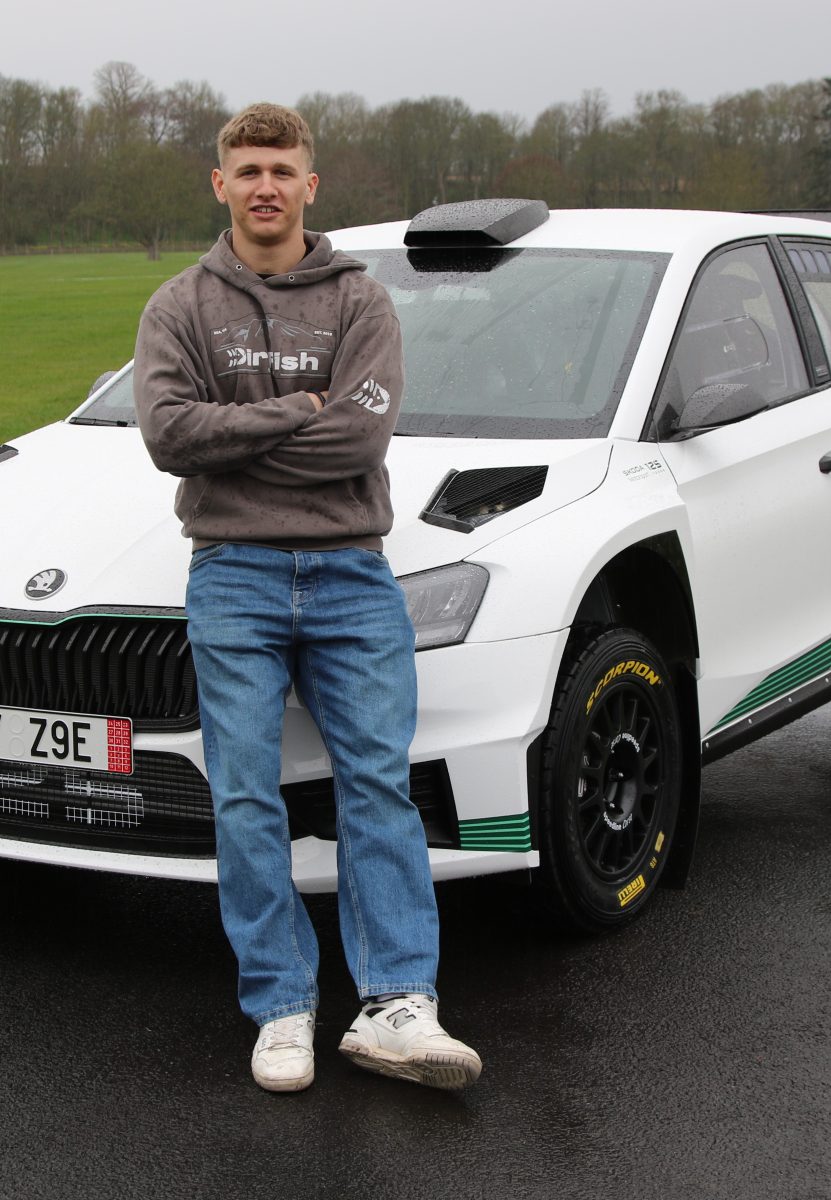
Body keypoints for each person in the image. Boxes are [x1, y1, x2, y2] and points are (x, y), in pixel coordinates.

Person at [133, 103, 481, 1093]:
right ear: (220, 183)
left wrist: (237, 434)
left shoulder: (362, 302)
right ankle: (282, 1004)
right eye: (248, 170)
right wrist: (297, 409)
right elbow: (167, 434)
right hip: (232, 574)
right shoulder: (178, 306)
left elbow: (359, 439)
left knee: (377, 786)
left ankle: (397, 1005)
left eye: (282, 170)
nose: (265, 186)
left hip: (350, 572)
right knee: (244, 795)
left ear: (309, 185)